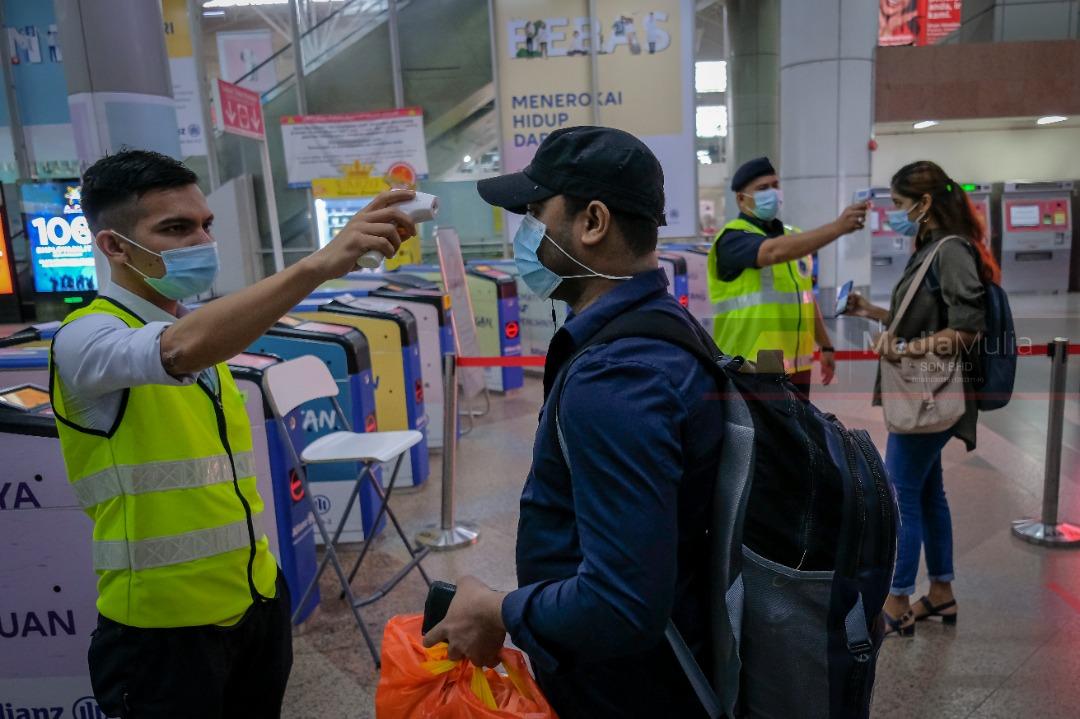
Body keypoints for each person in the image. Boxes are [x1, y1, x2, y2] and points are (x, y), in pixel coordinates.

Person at [49, 150, 416, 718]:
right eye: (176, 228)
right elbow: (174, 352)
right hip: (164, 634)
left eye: (206, 224)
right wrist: (318, 265)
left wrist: (268, 591)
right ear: (114, 247)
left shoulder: (193, 327)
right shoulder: (87, 338)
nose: (202, 241)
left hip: (254, 602)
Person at [422, 126, 723, 718]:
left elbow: (622, 604)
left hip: (630, 692)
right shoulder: (664, 327)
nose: (525, 232)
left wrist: (496, 610)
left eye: (536, 213)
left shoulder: (617, 378)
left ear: (593, 222)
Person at [846, 160, 996, 637]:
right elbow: (924, 314)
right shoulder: (933, 247)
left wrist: (906, 349)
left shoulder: (951, 250)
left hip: (928, 392)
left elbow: (968, 328)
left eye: (899, 204)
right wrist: (872, 312)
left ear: (925, 203)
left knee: (900, 495)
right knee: (929, 493)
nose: (895, 213)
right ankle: (942, 591)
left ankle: (897, 600)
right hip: (925, 390)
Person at [708, 156, 868, 399]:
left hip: (797, 362)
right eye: (763, 188)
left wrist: (825, 345)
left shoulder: (794, 237)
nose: (772, 193)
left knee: (797, 422)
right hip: (753, 362)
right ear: (741, 199)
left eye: (775, 185)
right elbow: (772, 252)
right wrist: (838, 227)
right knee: (764, 424)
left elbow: (805, 297)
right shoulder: (733, 239)